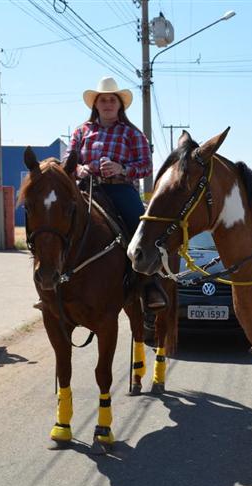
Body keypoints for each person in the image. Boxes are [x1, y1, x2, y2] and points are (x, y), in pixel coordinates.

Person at [64, 76, 167, 311]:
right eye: (103, 100)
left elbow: (146, 166)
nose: (108, 104)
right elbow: (67, 160)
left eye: (112, 100)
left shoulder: (132, 133)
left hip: (120, 189)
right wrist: (80, 169)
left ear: (120, 105)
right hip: (86, 188)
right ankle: (50, 285)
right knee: (57, 224)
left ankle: (149, 284)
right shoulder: (81, 131)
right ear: (95, 104)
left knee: (141, 231)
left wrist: (122, 169)